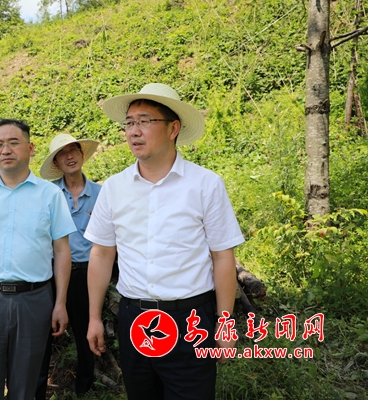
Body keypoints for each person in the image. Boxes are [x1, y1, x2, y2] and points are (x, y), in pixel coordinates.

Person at [84, 83, 245, 400]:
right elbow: (101, 254)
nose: (134, 131)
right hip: (136, 320)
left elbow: (222, 256)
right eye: (129, 122)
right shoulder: (114, 188)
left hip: (191, 320)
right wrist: (93, 318)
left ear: (173, 129)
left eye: (145, 121)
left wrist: (225, 323)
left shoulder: (205, 185)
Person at [0, 119, 76, 400]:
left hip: (34, 300)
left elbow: (62, 251)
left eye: (13, 142)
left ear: (30, 148)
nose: (5, 150)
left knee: (25, 387)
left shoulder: (50, 195)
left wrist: (60, 303)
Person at [36, 133, 101, 398]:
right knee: (43, 332)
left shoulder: (100, 193)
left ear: (82, 155)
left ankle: (85, 387)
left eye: (74, 150)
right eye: (62, 154)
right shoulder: (48, 194)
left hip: (88, 272)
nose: (70, 156)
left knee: (87, 329)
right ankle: (38, 389)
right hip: (53, 271)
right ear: (56, 163)